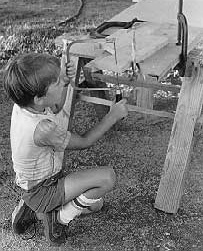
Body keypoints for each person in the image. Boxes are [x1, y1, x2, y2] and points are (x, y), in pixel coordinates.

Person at [3, 52, 128, 246]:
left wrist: (65, 81)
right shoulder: (43, 130)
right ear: (38, 97)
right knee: (107, 178)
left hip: (34, 184)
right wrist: (112, 116)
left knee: (97, 205)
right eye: (56, 83)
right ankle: (59, 218)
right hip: (44, 189)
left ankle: (31, 208)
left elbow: (54, 105)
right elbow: (85, 141)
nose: (61, 82)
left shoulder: (24, 104)